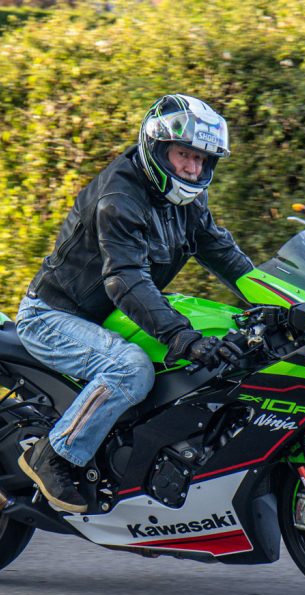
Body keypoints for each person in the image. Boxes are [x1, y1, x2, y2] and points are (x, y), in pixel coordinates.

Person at [15, 94, 254, 512]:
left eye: (202, 159)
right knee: (131, 369)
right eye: (184, 155)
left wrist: (292, 303)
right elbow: (125, 280)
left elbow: (225, 256)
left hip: (109, 318)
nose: (193, 168)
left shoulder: (187, 201)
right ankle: (55, 454)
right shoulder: (120, 199)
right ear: (158, 148)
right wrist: (184, 337)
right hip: (53, 317)